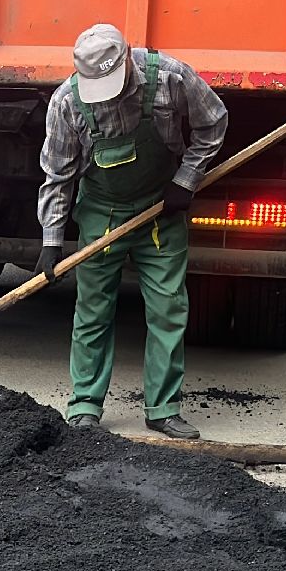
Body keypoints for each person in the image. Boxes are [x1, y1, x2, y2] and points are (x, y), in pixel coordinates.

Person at [36, 24, 228, 439]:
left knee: (168, 309)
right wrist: (51, 240)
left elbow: (214, 121)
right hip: (101, 214)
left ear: (127, 59)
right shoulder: (68, 102)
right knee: (92, 310)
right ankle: (85, 405)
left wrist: (186, 180)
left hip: (159, 213)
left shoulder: (170, 78)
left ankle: (163, 408)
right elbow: (58, 174)